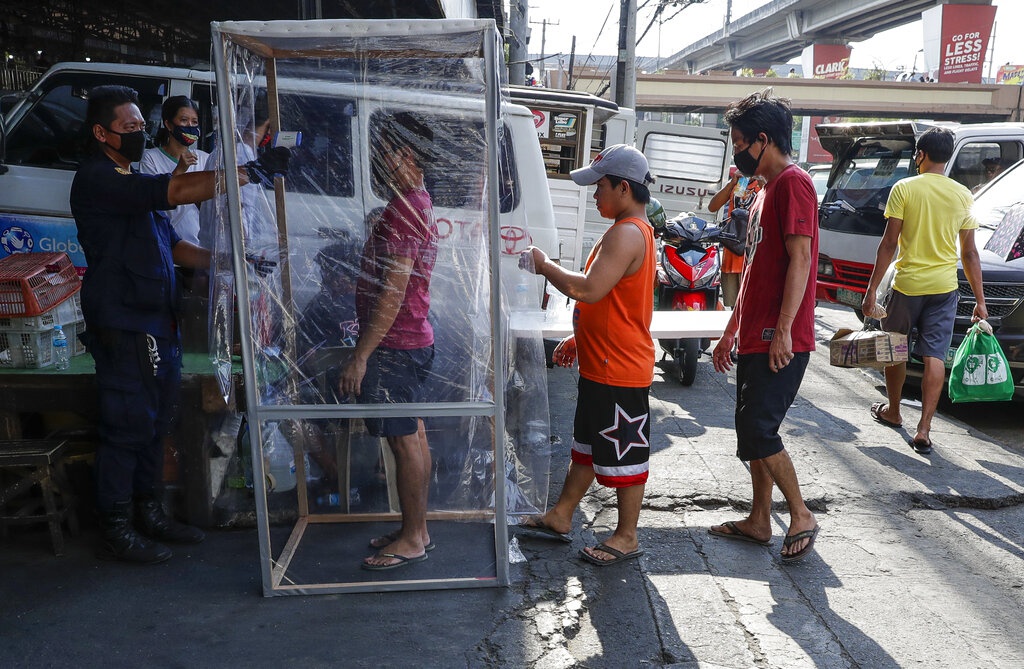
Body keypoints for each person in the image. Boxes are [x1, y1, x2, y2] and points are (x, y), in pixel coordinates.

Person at [70, 85, 287, 564]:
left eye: (140, 126)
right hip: (124, 321)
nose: (137, 134)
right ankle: (117, 524)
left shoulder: (127, 174)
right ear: (101, 132)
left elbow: (174, 247)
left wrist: (232, 260)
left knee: (157, 421)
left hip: (156, 318)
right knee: (127, 425)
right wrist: (248, 173)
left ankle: (150, 510)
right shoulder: (100, 179)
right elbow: (174, 190)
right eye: (128, 128)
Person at [517, 143, 657, 566]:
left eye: (600, 186)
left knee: (625, 452)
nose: (594, 194)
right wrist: (580, 338)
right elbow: (609, 300)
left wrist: (544, 265)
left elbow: (587, 289)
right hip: (605, 363)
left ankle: (627, 535)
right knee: (589, 446)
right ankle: (561, 514)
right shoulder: (626, 230)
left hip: (620, 368)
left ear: (624, 188)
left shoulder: (628, 233)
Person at [707, 88, 820, 564]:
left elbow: (801, 259)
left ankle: (801, 514)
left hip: (780, 335)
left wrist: (786, 330)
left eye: (739, 142)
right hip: (754, 331)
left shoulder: (794, 183)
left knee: (760, 427)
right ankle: (758, 520)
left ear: (763, 139)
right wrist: (732, 328)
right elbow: (753, 269)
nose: (736, 152)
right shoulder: (762, 191)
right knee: (749, 431)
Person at [338, 113, 439, 571]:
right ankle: (414, 529)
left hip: (396, 345)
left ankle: (415, 536)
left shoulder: (404, 209)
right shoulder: (414, 202)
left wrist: (361, 355)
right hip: (410, 340)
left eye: (386, 151)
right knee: (412, 434)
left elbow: (394, 290)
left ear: (407, 156)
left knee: (403, 441)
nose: (379, 159)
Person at [861, 127, 987, 455]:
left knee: (895, 347)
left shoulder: (904, 188)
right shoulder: (963, 195)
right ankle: (925, 428)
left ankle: (894, 411)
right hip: (944, 288)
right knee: (934, 355)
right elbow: (970, 253)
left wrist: (872, 289)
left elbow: (889, 243)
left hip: (907, 285)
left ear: (921, 154)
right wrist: (980, 301)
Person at [139, 96, 210, 245]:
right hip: (166, 245)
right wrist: (179, 171)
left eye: (194, 122)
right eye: (184, 120)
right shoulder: (150, 158)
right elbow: (153, 201)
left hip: (200, 247)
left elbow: (211, 209)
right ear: (168, 125)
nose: (190, 126)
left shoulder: (205, 159)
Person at [708, 166, 763, 308]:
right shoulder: (738, 182)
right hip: (732, 251)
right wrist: (731, 183)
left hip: (752, 254)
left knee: (751, 306)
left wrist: (761, 180)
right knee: (734, 307)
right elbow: (712, 207)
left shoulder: (762, 183)